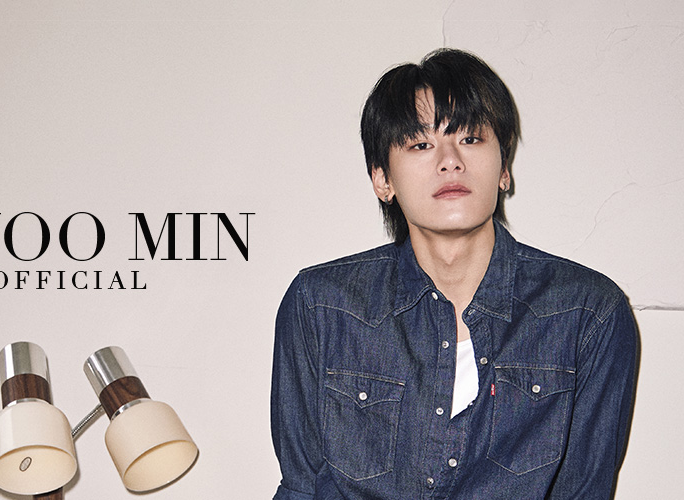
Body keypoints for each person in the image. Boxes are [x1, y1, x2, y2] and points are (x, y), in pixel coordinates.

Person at [270, 48, 638, 499]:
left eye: (471, 138)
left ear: (504, 169)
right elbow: (302, 487)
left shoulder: (587, 313)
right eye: (421, 145)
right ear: (383, 180)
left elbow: (584, 491)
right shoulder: (322, 305)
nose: (450, 161)